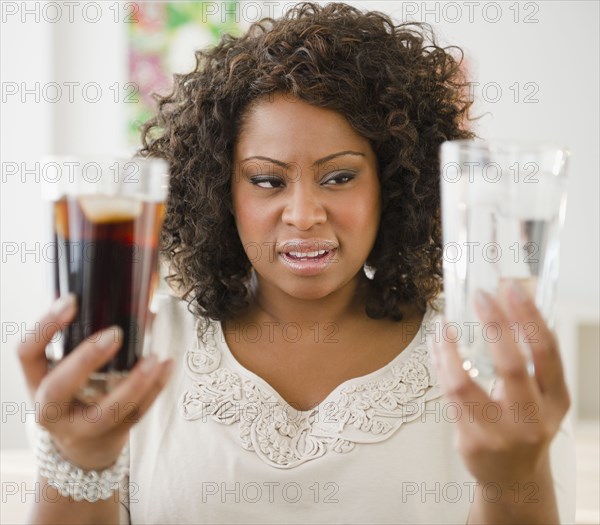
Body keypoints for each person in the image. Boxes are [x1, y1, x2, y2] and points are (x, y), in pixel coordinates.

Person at [19, 2, 575, 523]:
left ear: (395, 185)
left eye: (339, 177)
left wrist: (513, 479)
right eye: (266, 180)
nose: (304, 214)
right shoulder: (136, 356)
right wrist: (78, 460)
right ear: (220, 192)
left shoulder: (486, 372)